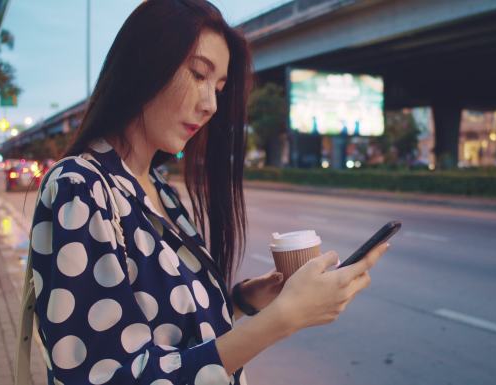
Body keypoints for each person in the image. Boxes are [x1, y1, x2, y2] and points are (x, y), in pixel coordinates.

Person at [28, 1, 389, 384]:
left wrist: (243, 302)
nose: (211, 105)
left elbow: (168, 330)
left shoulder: (160, 191)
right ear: (144, 64)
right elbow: (105, 376)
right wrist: (282, 319)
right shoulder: (81, 186)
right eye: (199, 75)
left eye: (218, 88)